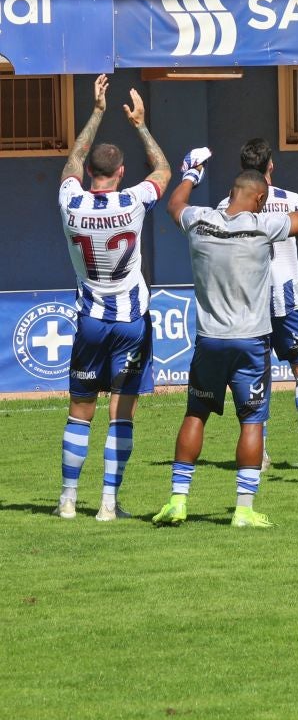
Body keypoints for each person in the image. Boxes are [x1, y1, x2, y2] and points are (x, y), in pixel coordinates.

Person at [152, 145, 298, 528]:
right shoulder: (261, 226)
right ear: (258, 197)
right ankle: (243, 508)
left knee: (196, 414)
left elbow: (174, 206)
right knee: (252, 421)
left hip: (210, 339)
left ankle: (177, 500)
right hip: (251, 341)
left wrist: (190, 174)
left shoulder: (201, 221)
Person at [52, 77, 168, 521]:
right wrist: (140, 125)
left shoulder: (70, 202)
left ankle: (66, 499)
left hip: (90, 321)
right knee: (121, 414)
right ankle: (107, 503)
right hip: (131, 322)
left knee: (80, 410)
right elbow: (161, 171)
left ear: (87, 175)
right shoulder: (134, 200)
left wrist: (97, 111)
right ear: (120, 173)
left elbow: (73, 160)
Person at [221, 139, 298, 468]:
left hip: (248, 304)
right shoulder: (292, 201)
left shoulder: (225, 207)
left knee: (254, 375)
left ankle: (258, 451)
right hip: (288, 303)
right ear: (271, 166)